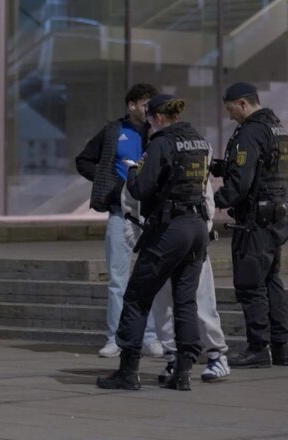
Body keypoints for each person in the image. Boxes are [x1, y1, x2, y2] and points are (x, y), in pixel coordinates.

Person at [97, 94, 210, 391]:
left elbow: (140, 189)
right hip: (197, 225)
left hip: (171, 227)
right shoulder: (197, 140)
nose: (149, 125)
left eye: (150, 120)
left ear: (158, 118)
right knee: (185, 300)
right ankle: (183, 371)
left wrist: (134, 170)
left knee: (136, 296)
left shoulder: (162, 143)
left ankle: (128, 370)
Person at [212, 82, 288, 368]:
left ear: (243, 104)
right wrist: (221, 166)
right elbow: (264, 166)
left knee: (250, 285)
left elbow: (242, 182)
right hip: (278, 217)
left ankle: (258, 348)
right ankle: (281, 347)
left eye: (231, 109)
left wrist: (214, 201)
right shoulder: (276, 127)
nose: (230, 116)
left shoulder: (250, 131)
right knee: (271, 281)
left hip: (256, 222)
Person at [75, 83, 160, 358]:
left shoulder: (158, 132)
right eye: (145, 103)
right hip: (120, 213)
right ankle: (115, 338)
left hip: (151, 214)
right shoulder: (114, 131)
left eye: (152, 103)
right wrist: (110, 186)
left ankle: (150, 337)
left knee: (150, 278)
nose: (149, 109)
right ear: (131, 105)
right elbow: (84, 160)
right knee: (118, 280)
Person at [150, 181, 231, 383]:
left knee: (200, 301)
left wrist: (203, 230)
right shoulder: (156, 153)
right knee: (164, 303)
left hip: (188, 237)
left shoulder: (189, 152)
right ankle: (173, 357)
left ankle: (216, 354)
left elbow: (206, 199)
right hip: (166, 238)